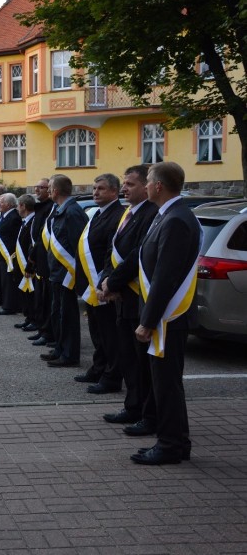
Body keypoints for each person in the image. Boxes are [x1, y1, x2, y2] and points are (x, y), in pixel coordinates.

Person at [130, 162, 201, 465]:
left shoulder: (175, 220)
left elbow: (165, 277)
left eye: (147, 181)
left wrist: (147, 321)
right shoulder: (170, 215)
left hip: (167, 318)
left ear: (158, 186)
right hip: (164, 317)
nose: (145, 185)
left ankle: (171, 445)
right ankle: (176, 442)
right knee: (167, 382)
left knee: (167, 384)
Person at [99, 165, 158, 427]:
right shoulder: (129, 214)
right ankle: (132, 406)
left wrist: (112, 282)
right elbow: (113, 251)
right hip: (122, 295)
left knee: (140, 360)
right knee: (127, 356)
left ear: (147, 186)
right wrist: (106, 282)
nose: (124, 188)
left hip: (136, 296)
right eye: (123, 183)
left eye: (130, 184)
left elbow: (137, 255)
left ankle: (145, 412)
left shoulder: (150, 214)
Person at [74, 173, 124, 394]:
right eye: (94, 188)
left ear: (114, 191)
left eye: (101, 189)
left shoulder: (118, 216)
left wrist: (104, 281)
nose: (95, 192)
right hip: (92, 283)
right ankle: (98, 367)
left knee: (109, 335)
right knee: (96, 330)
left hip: (103, 284)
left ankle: (111, 377)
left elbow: (110, 253)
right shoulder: (98, 214)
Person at [40, 174, 87, 367]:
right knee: (57, 313)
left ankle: (69, 355)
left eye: (49, 187)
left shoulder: (72, 212)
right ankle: (60, 348)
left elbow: (79, 246)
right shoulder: (62, 210)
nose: (48, 190)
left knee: (67, 316)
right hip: (58, 272)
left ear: (56, 190)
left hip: (67, 273)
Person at [28, 178, 56, 347]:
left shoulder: (49, 208)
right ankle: (42, 328)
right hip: (39, 258)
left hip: (46, 260)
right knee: (41, 297)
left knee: (46, 299)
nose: (37, 190)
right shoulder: (41, 208)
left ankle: (47, 331)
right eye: (36, 187)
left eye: (41, 187)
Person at [0, 193, 22, 315]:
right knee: (5, 281)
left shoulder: (14, 217)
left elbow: (13, 238)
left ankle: (9, 306)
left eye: (1, 202)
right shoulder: (5, 215)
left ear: (9, 204)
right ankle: (7, 303)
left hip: (9, 255)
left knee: (9, 282)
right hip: (2, 254)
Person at [15, 194, 37, 330]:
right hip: (22, 262)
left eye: (18, 205)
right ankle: (28, 318)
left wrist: (30, 265)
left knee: (32, 294)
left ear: (23, 206)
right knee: (26, 294)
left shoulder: (33, 221)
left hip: (30, 265)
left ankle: (34, 320)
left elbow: (32, 245)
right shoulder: (25, 221)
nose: (17, 208)